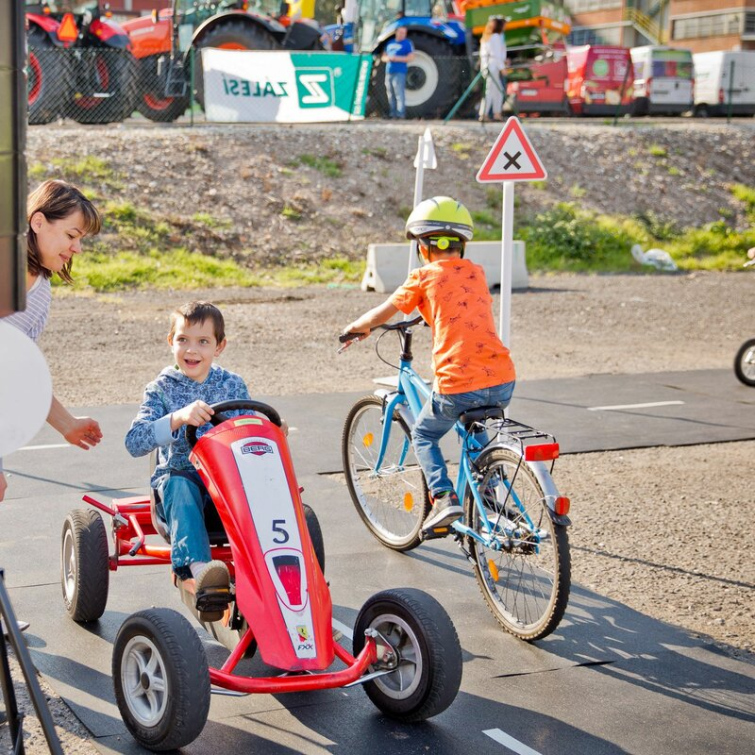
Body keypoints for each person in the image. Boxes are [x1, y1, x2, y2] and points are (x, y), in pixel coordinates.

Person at [342, 197, 516, 536]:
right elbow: (458, 304)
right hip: (503, 379)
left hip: (459, 383)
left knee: (424, 433)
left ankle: (442, 497)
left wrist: (356, 328)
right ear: (461, 246)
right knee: (474, 428)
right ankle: (490, 497)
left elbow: (384, 312)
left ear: (423, 246)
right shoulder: (476, 273)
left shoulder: (422, 277)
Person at [124, 301, 251, 620]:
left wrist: (272, 428)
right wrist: (177, 418)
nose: (191, 350)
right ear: (171, 342)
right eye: (183, 339)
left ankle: (286, 575)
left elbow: (250, 427)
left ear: (219, 347)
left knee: (267, 488)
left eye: (203, 341)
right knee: (180, 483)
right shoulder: (161, 389)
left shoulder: (232, 384)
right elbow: (134, 441)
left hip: (225, 484)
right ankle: (200, 572)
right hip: (183, 481)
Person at [0, 180, 103, 504]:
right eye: (71, 235)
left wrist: (66, 423)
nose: (77, 248)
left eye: (80, 240)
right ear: (38, 221)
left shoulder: (39, 296)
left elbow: (17, 370)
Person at [382, 25, 415, 119]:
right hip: (389, 71)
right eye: (401, 32)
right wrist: (388, 58)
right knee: (390, 94)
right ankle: (392, 114)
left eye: (404, 33)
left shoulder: (407, 44)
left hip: (400, 72)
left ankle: (400, 114)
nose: (402, 35)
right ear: (396, 32)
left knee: (399, 94)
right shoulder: (390, 43)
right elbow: (383, 57)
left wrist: (397, 58)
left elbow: (411, 57)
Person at [478, 16, 507, 122]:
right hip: (493, 67)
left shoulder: (487, 37)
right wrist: (502, 68)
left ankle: (496, 113)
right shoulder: (495, 37)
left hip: (488, 66)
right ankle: (485, 114)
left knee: (497, 91)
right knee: (491, 90)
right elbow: (496, 55)